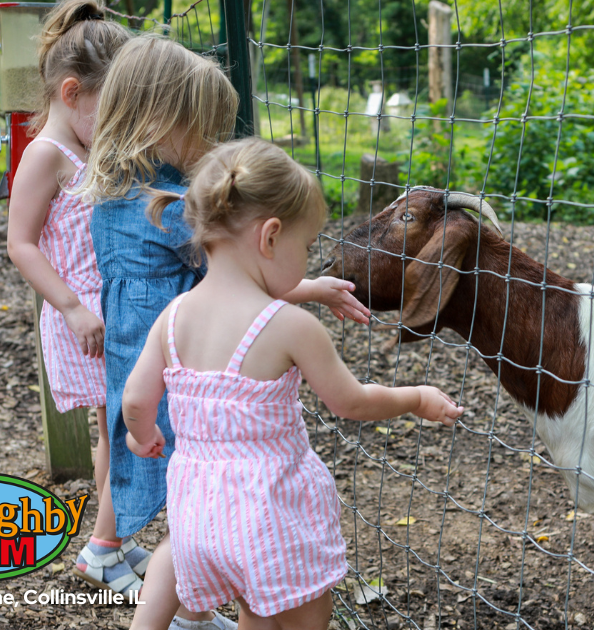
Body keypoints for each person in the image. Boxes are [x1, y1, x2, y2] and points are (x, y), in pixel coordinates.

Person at [80, 37, 370, 630]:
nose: (208, 143)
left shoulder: (112, 192)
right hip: (191, 365)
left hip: (138, 347)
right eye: (201, 126)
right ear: (160, 118)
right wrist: (307, 287)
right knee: (200, 504)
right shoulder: (168, 204)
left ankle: (151, 575)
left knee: (183, 497)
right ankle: (183, 607)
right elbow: (237, 287)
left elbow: (227, 282)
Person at [122, 138, 463, 630]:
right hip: (271, 517)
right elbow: (351, 401)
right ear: (270, 237)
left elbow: (136, 400)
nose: (307, 260)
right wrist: (416, 398)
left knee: (251, 611)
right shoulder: (289, 325)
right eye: (306, 247)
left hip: (197, 517)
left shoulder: (173, 316)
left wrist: (142, 435)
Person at [3, 0, 145, 596]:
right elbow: (20, 244)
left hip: (114, 306)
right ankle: (102, 551)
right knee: (120, 428)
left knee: (113, 430)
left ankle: (114, 536)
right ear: (71, 92)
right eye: (110, 109)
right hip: (84, 314)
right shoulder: (45, 156)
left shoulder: (89, 150)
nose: (118, 125)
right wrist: (70, 307)